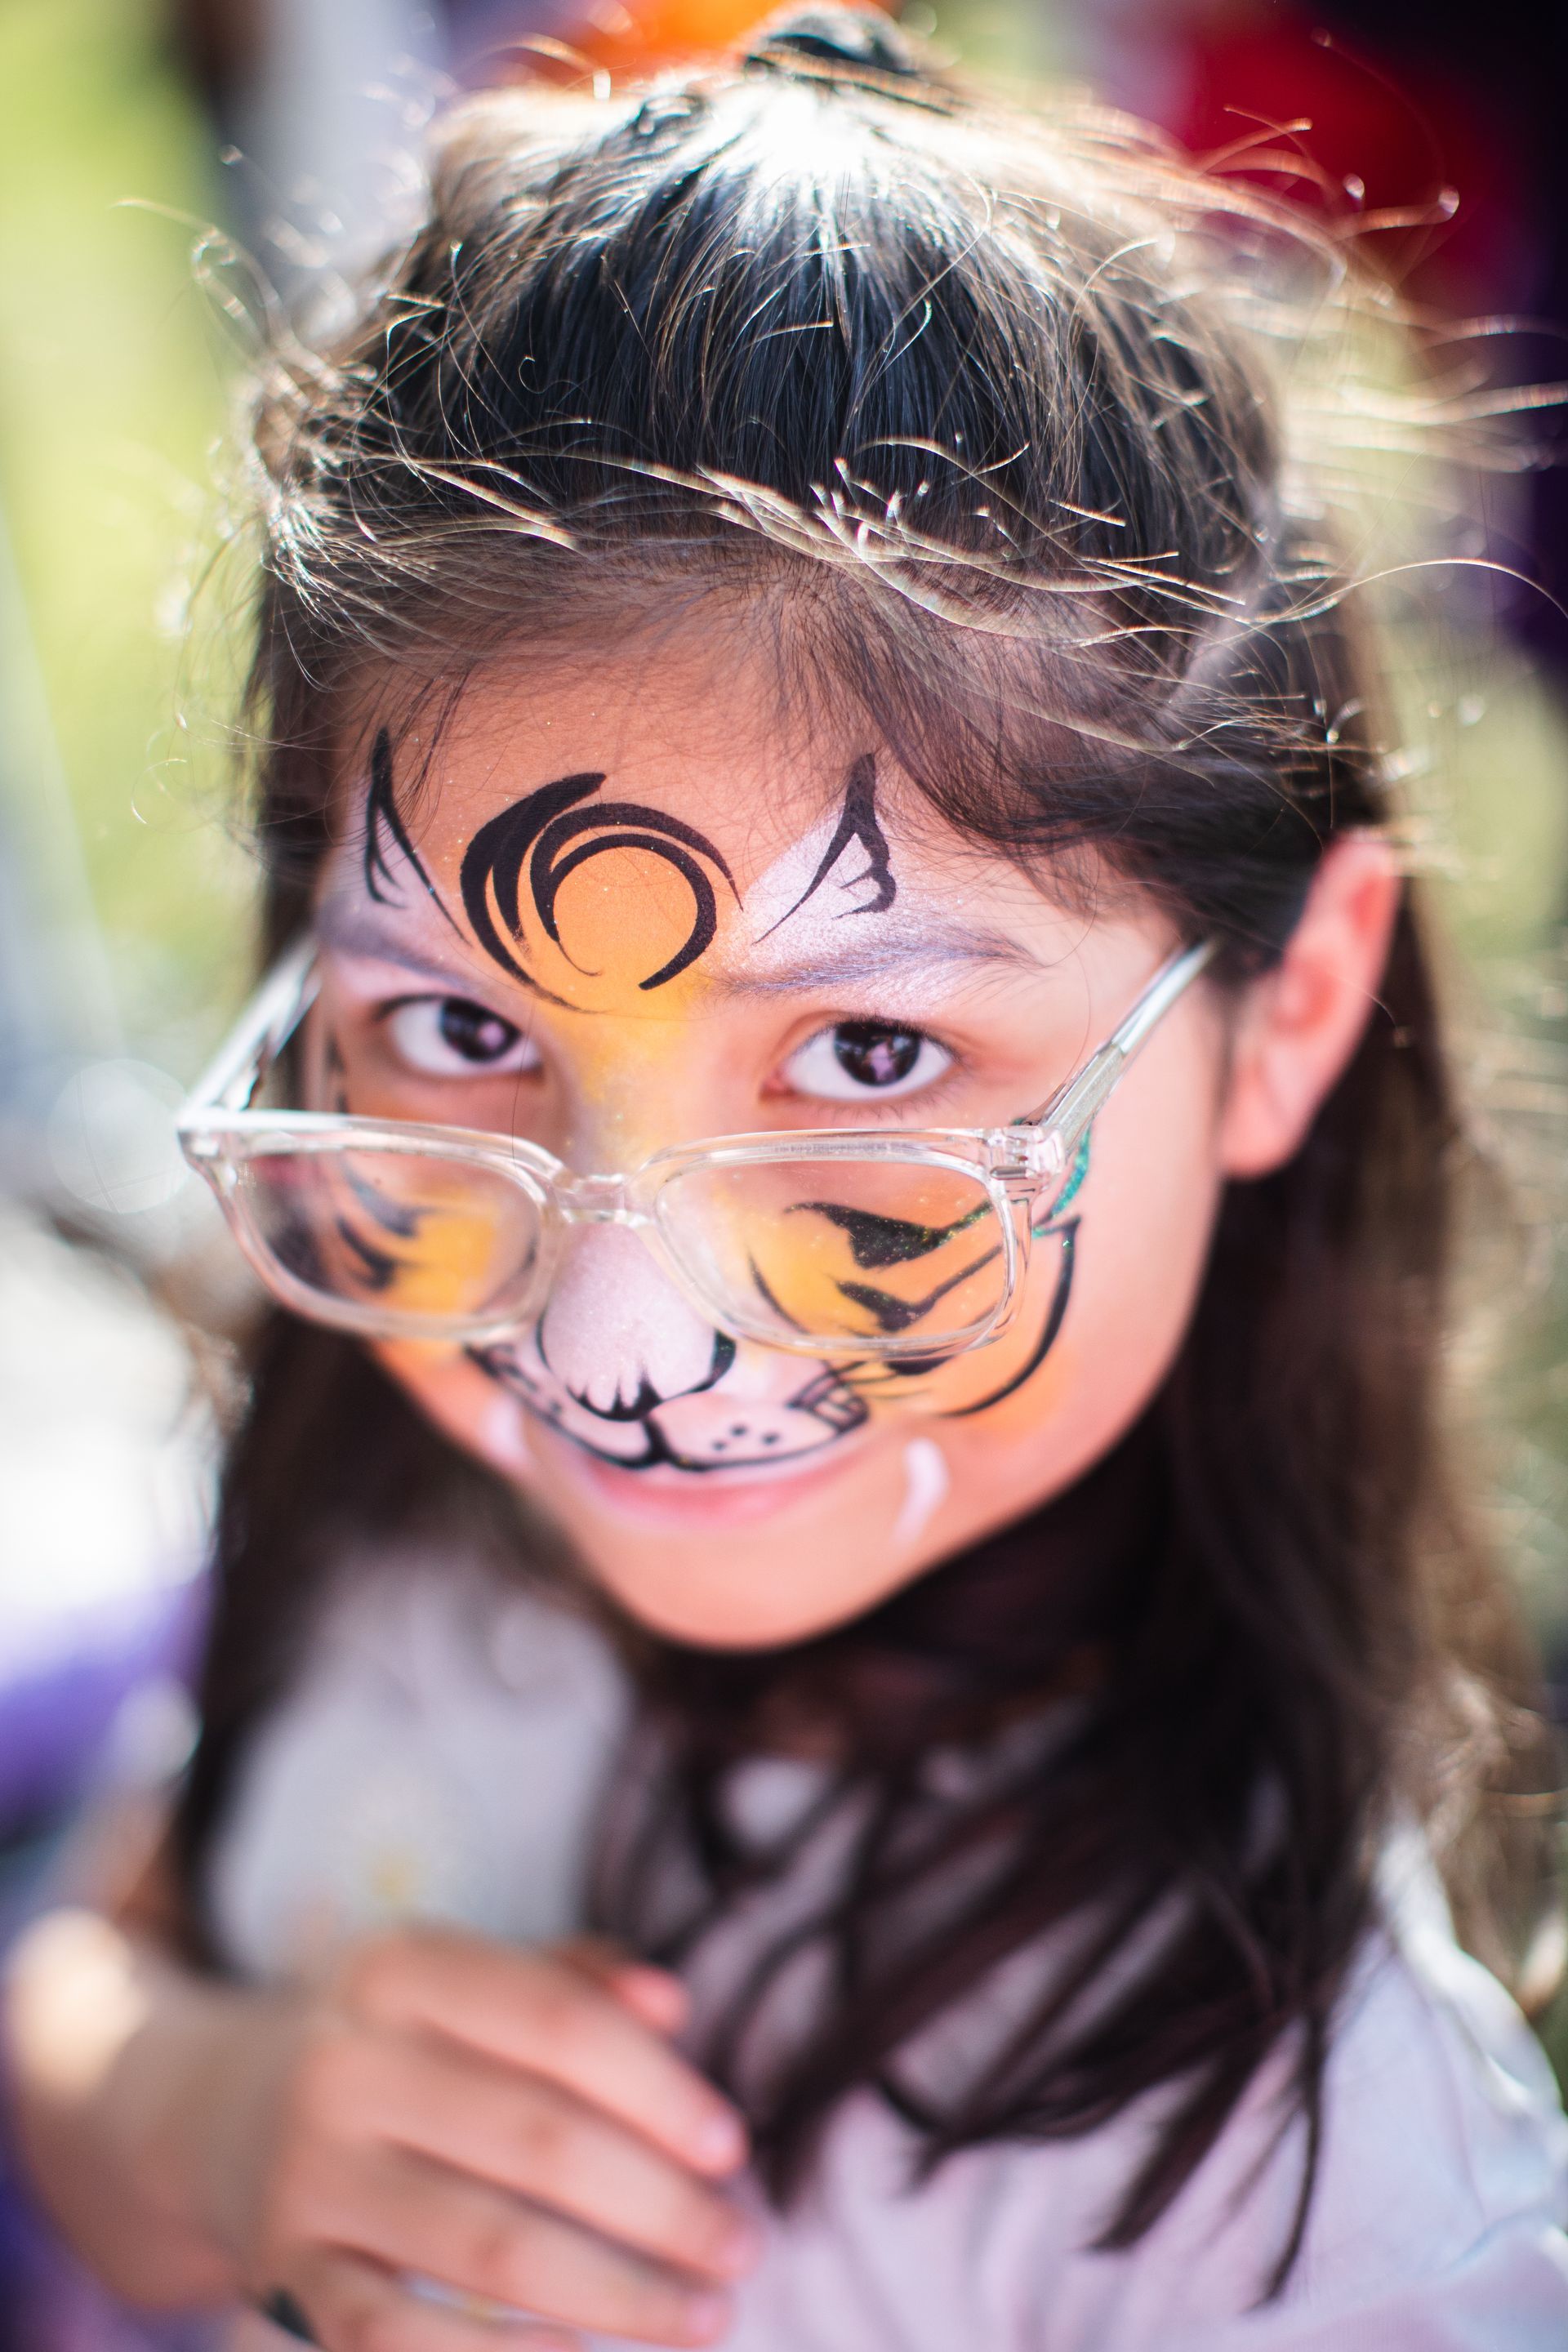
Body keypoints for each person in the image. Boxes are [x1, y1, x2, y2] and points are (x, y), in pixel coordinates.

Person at [6, 9, 1568, 2346]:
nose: (615, 1355)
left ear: (1296, 1012)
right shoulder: (410, 1542)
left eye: (869, 1053)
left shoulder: (1323, 2197)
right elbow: (98, 1946)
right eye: (464, 1033)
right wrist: (211, 2118)